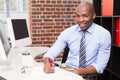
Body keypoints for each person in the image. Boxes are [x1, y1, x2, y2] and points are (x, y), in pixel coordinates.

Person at [43, 2, 111, 80]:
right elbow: (50, 54)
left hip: (88, 74)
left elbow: (100, 66)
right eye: (78, 16)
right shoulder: (68, 32)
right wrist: (47, 62)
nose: (80, 20)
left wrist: (78, 72)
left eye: (85, 16)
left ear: (93, 15)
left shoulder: (103, 34)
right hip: (68, 70)